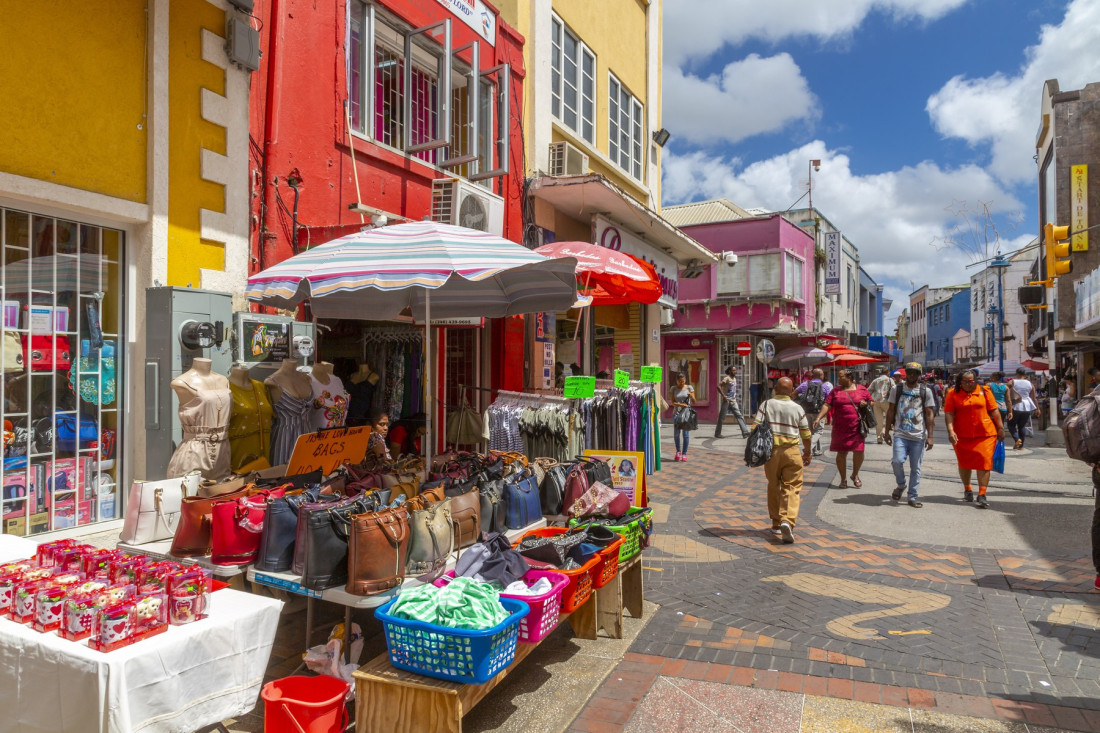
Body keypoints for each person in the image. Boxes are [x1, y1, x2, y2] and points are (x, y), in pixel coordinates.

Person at [752, 377, 812, 544]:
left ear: (776, 390)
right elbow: (806, 434)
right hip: (792, 451)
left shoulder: (766, 405)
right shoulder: (797, 408)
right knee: (791, 487)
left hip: (771, 452)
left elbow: (755, 427)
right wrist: (807, 453)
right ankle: (788, 520)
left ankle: (776, 522)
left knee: (774, 485)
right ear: (792, 391)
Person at [944, 369, 1005, 508]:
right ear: (959, 382)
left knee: (984, 462)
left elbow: (994, 410)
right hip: (961, 435)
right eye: (964, 381)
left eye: (971, 381)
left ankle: (982, 494)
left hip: (985, 434)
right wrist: (950, 431)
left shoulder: (985, 391)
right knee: (964, 463)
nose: (967, 384)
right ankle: (968, 489)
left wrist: (1000, 427)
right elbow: (949, 414)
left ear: (975, 380)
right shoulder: (952, 393)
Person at [884, 362, 936, 508]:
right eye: (909, 372)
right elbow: (891, 410)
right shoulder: (897, 388)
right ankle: (901, 484)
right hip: (900, 433)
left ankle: (912, 496)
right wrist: (887, 431)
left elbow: (929, 413)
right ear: (906, 373)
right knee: (897, 461)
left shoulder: (926, 391)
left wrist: (930, 436)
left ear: (919, 375)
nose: (912, 375)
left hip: (918, 435)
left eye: (915, 373)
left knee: (916, 468)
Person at [812, 369, 871, 489]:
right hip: (840, 427)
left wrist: (866, 403)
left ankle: (855, 475)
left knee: (859, 451)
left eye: (840, 377)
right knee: (841, 453)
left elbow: (871, 402)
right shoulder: (835, 391)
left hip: (857, 427)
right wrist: (819, 417)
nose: (838, 380)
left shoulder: (861, 389)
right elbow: (827, 405)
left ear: (849, 377)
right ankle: (843, 479)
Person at [796, 369, 832, 456]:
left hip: (807, 411)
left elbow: (794, 394)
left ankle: (815, 450)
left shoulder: (804, 384)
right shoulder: (825, 387)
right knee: (818, 431)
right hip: (819, 412)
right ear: (821, 376)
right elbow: (829, 400)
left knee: (811, 431)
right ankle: (809, 448)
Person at [715, 365, 750, 439]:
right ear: (730, 371)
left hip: (733, 401)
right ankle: (717, 433)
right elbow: (718, 386)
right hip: (726, 401)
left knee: (739, 415)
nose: (735, 372)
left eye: (735, 370)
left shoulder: (734, 379)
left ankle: (745, 432)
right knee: (722, 417)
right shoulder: (726, 378)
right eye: (733, 370)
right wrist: (723, 396)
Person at [1008, 368, 1039, 450]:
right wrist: (1037, 409)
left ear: (1016, 373)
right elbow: (1034, 398)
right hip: (1027, 406)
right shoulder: (1030, 383)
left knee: (1011, 425)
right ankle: (1021, 446)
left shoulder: (1012, 381)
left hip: (1016, 405)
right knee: (1022, 426)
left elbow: (1006, 391)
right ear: (1025, 375)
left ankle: (1017, 439)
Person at [668, 372, 696, 461]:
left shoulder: (689, 388)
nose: (682, 383)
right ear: (676, 381)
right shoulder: (673, 388)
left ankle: (684, 453)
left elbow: (694, 401)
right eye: (680, 381)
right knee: (676, 434)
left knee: (686, 434)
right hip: (676, 413)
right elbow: (672, 402)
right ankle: (678, 451)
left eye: (683, 381)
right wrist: (680, 405)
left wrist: (691, 395)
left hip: (686, 415)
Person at [868, 368, 897, 445]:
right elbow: (894, 390)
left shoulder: (876, 380)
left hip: (876, 402)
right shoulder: (890, 380)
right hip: (887, 401)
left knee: (878, 420)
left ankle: (879, 438)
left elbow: (869, 390)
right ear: (887, 372)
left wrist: (869, 399)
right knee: (888, 419)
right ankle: (884, 431)